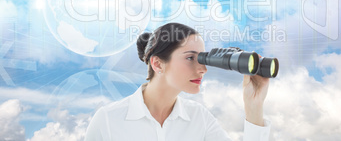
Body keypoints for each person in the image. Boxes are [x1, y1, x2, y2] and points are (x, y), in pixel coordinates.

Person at [85, 22, 271, 140]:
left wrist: (254, 107)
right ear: (157, 64)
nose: (203, 69)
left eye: (203, 58)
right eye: (191, 58)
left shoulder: (199, 118)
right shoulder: (108, 120)